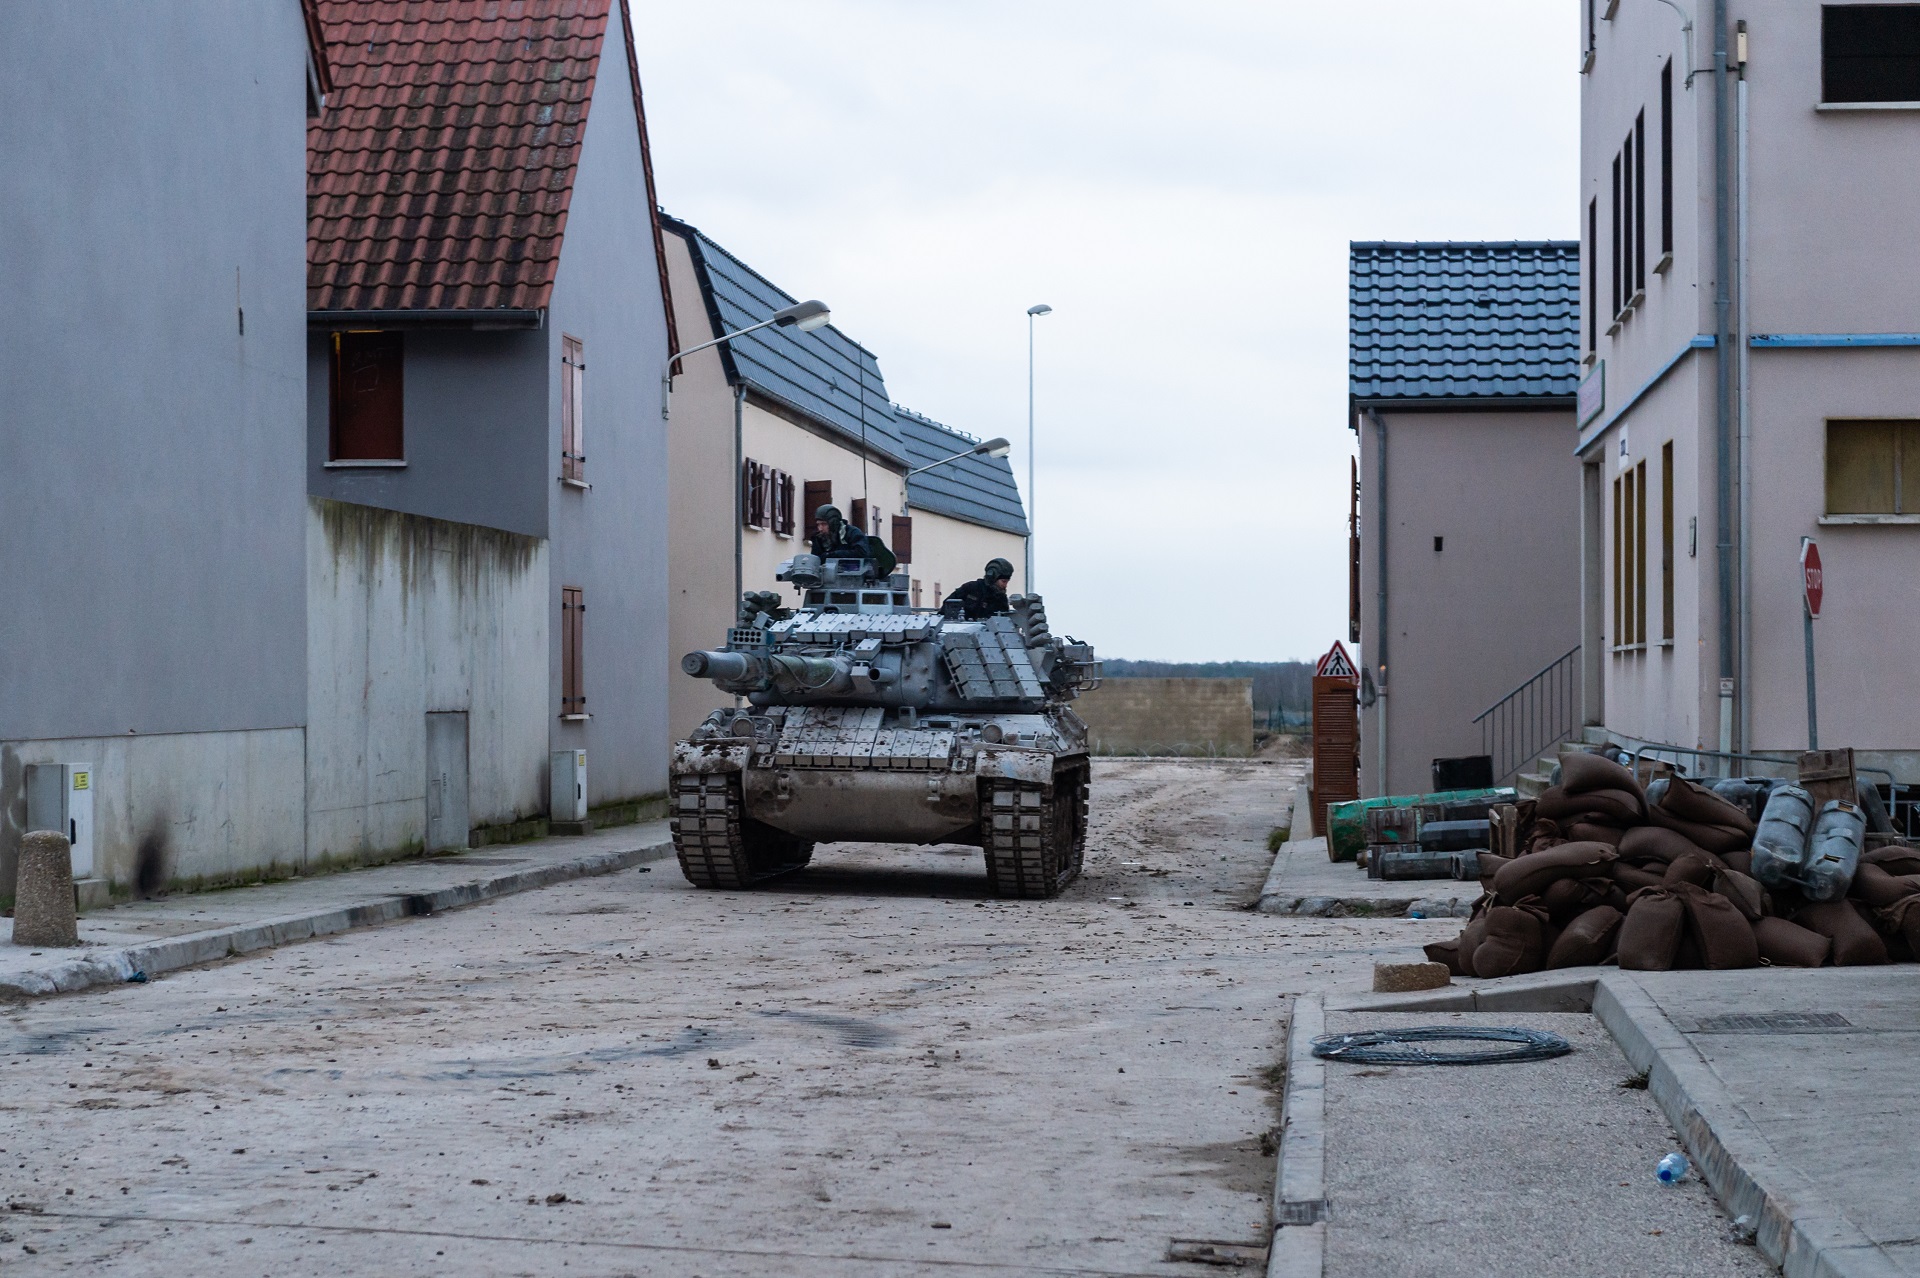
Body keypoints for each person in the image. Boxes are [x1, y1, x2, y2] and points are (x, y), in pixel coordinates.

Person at [947, 558, 1015, 619]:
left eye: (1007, 582)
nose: (1005, 585)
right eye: (1003, 581)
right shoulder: (970, 589)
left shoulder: (1001, 599)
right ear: (992, 578)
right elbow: (946, 609)